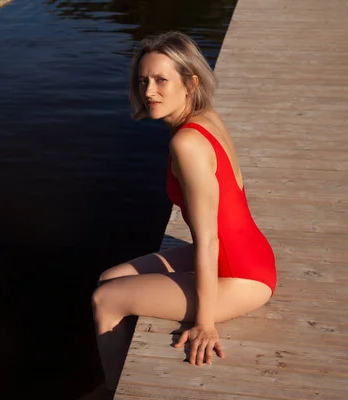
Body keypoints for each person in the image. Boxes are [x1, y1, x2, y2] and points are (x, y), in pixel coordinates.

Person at [87, 31, 277, 399]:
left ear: (190, 83)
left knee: (105, 300)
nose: (149, 91)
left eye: (161, 80)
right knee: (109, 277)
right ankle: (119, 359)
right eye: (143, 80)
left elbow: (207, 241)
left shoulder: (185, 142)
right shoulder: (205, 115)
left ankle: (110, 388)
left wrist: (205, 324)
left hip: (242, 275)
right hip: (248, 253)